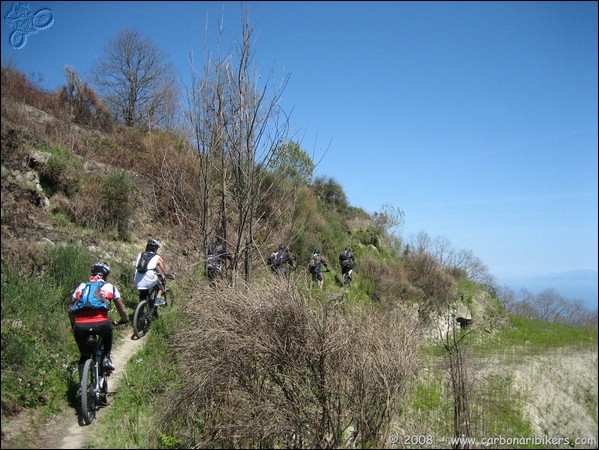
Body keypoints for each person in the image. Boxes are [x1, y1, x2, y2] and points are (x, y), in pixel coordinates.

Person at [68, 262, 129, 380]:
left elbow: (70, 310)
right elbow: (121, 309)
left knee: (84, 355)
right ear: (106, 276)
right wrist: (124, 320)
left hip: (81, 325)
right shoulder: (110, 287)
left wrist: (73, 324)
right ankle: (106, 358)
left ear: (92, 273)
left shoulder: (81, 286)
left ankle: (82, 388)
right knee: (108, 329)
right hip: (101, 323)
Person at [133, 239, 174, 306]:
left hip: (137, 279)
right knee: (162, 279)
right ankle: (157, 298)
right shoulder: (157, 257)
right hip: (149, 279)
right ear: (155, 249)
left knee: (143, 294)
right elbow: (165, 272)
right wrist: (170, 275)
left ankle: (140, 311)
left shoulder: (140, 254)